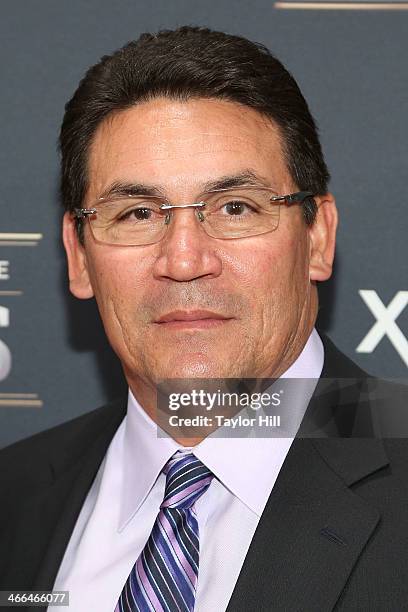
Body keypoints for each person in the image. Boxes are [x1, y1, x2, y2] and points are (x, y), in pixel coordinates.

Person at [0, 25, 407, 612]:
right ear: (79, 254)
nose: (185, 260)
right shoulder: (13, 496)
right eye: (138, 213)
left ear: (317, 236)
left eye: (235, 207)